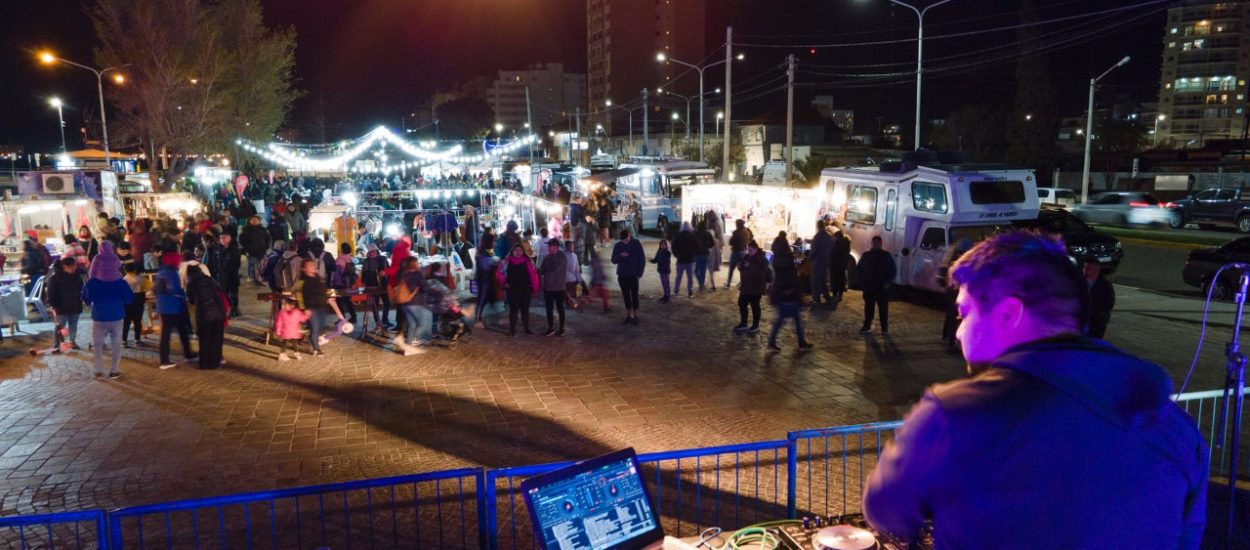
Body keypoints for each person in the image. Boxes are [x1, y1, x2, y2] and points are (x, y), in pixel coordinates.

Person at [862, 230, 1208, 549]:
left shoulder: (953, 413)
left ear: (1008, 315)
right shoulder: (1180, 430)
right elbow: (1187, 538)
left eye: (964, 313)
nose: (958, 332)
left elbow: (885, 509)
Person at [82, 242, 133, 379]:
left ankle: (98, 369)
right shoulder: (121, 282)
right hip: (117, 316)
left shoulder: (92, 282)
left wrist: (89, 302)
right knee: (116, 344)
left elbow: (85, 297)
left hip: (99, 316)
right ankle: (114, 370)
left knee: (98, 345)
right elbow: (129, 299)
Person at [153, 249, 196, 369]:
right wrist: (183, 296)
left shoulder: (161, 271)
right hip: (174, 307)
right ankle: (180, 356)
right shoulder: (171, 272)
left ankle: (165, 359)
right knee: (182, 331)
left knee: (166, 334)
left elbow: (156, 289)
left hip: (163, 306)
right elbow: (175, 289)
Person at [767, 241, 813, 351]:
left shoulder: (777, 260)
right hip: (790, 292)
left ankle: (773, 342)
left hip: (782, 292)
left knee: (785, 320)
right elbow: (803, 258)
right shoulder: (790, 259)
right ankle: (799, 342)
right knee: (792, 321)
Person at [298, 253, 346, 357]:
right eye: (309, 266)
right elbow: (305, 296)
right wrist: (307, 309)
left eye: (313, 265)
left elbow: (324, 290)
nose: (312, 267)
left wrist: (328, 297)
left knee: (320, 328)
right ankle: (316, 349)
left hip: (322, 307)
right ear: (304, 269)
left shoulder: (319, 278)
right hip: (312, 309)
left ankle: (307, 336)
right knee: (314, 329)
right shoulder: (305, 282)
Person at [185, 262, 227, 370]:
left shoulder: (191, 284)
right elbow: (220, 291)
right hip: (218, 312)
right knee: (216, 339)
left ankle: (204, 364)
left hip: (204, 314)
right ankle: (215, 363)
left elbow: (192, 301)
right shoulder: (210, 279)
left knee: (205, 339)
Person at [857, 236, 897, 335]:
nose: (876, 245)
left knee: (871, 308)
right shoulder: (885, 256)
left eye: (876, 243)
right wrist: (888, 282)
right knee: (880, 308)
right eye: (876, 243)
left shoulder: (867, 255)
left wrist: (863, 282)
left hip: (874, 287)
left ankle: (869, 327)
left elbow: (859, 269)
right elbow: (892, 270)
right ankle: (883, 328)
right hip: (879, 287)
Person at [497, 243, 539, 336]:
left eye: (520, 250)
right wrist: (504, 282)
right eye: (516, 250)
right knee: (513, 310)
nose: (518, 252)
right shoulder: (506, 261)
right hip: (512, 290)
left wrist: (535, 288)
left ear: (523, 252)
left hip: (526, 290)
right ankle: (512, 329)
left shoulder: (528, 261)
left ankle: (527, 328)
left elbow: (534, 275)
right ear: (512, 252)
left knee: (525, 310)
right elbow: (499, 273)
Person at [391, 257, 430, 355]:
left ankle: (407, 350)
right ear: (414, 264)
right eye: (417, 262)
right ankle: (406, 341)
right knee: (423, 325)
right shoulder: (417, 274)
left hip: (404, 303)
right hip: (415, 302)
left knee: (412, 325)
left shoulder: (402, 274)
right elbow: (424, 287)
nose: (418, 263)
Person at [43, 258, 83, 350]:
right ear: (64, 267)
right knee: (60, 327)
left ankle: (72, 342)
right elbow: (51, 293)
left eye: (75, 266)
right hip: (61, 307)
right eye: (72, 266)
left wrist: (80, 300)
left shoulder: (77, 276)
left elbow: (81, 289)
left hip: (75, 305)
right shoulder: (54, 278)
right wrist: (54, 305)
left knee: (73, 325)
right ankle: (57, 345)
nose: (74, 268)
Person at [611, 229, 646, 325]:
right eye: (622, 240)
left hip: (633, 275)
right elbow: (613, 260)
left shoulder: (636, 244)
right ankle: (629, 315)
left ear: (629, 236)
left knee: (634, 295)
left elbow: (642, 259)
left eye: (626, 240)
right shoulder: (618, 245)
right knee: (626, 295)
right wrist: (621, 255)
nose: (624, 242)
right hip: (622, 275)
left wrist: (640, 273)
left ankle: (636, 315)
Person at [733, 241, 768, 333]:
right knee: (742, 303)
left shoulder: (762, 259)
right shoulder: (747, 256)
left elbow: (762, 272)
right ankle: (744, 324)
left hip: (756, 287)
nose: (749, 251)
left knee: (755, 306)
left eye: (751, 250)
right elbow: (743, 267)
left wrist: (750, 266)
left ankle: (755, 325)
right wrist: (740, 266)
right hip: (746, 286)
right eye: (748, 250)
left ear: (756, 249)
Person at [538, 238, 569, 336]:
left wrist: (544, 275)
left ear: (556, 247)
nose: (548, 248)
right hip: (548, 288)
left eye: (550, 246)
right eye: (548, 246)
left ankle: (561, 328)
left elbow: (553, 271)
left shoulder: (561, 257)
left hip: (559, 288)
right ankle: (551, 327)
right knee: (549, 308)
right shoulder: (547, 257)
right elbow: (542, 269)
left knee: (560, 308)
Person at [360, 244, 392, 330]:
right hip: (372, 284)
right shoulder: (367, 261)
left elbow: (389, 269)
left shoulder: (383, 259)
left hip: (383, 283)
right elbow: (364, 273)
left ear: (377, 251)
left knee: (387, 303)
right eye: (369, 252)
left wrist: (386, 274)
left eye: (373, 252)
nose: (371, 254)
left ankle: (385, 319)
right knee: (375, 304)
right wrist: (364, 283)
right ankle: (378, 322)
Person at [1084, 259, 1115, 339]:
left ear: (1097, 269)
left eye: (1089, 267)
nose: (1086, 270)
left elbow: (1108, 304)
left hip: (1095, 324)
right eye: (1085, 267)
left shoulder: (1105, 286)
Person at [474, 234, 499, 329]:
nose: (495, 243)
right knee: (482, 299)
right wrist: (494, 261)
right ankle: (477, 320)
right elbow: (484, 264)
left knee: (490, 298)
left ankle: (493, 318)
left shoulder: (489, 251)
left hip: (488, 278)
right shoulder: (483, 252)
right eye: (493, 241)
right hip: (483, 278)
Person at [121, 263, 149, 348]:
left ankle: (124, 341)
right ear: (134, 269)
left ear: (125, 270)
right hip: (138, 302)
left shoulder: (123, 279)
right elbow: (149, 286)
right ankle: (137, 340)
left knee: (126, 322)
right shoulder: (141, 278)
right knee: (137, 321)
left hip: (127, 304)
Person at [332, 242, 359, 326]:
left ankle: (342, 318)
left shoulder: (340, 260)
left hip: (340, 283)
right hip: (348, 284)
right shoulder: (350, 258)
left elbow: (337, 274)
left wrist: (334, 282)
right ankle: (353, 317)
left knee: (339, 301)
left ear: (342, 249)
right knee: (348, 301)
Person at [240, 215, 271, 285]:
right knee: (252, 265)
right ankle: (252, 278)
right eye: (252, 220)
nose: (254, 221)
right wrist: (247, 248)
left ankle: (259, 277)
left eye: (256, 220)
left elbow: (268, 238)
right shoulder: (245, 230)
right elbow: (242, 240)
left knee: (261, 265)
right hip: (251, 251)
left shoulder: (263, 229)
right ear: (249, 221)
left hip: (261, 250)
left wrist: (266, 246)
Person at [808, 220, 834, 305]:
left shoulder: (817, 237)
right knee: (823, 280)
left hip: (817, 262)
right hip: (826, 261)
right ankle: (827, 296)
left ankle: (816, 299)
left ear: (818, 226)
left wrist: (810, 258)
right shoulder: (829, 236)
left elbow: (814, 250)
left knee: (815, 281)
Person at [672, 222, 698, 297]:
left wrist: (676, 255)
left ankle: (676, 291)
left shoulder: (678, 236)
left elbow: (673, 246)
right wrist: (694, 254)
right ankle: (690, 292)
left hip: (680, 260)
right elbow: (699, 246)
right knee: (690, 277)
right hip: (690, 260)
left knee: (678, 276)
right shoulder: (692, 236)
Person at [725, 219, 753, 288]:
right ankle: (742, 283)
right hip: (744, 251)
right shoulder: (747, 231)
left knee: (731, 268)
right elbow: (750, 239)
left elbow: (731, 242)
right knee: (742, 269)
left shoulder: (736, 232)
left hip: (736, 252)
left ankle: (728, 283)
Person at [650, 239, 672, 303]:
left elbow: (665, 260)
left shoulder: (667, 252)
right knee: (664, 283)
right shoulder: (659, 251)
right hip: (661, 270)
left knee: (666, 283)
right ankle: (665, 295)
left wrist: (657, 260)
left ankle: (667, 297)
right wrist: (652, 260)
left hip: (666, 270)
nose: (662, 245)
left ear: (666, 245)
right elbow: (656, 259)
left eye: (664, 244)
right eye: (661, 244)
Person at [693, 221, 713, 293]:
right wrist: (707, 247)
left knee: (695, 270)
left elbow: (693, 243)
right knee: (703, 271)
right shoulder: (708, 233)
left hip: (697, 254)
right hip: (705, 254)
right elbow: (712, 243)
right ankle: (701, 286)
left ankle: (701, 285)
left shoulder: (695, 233)